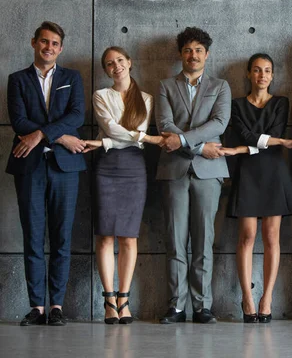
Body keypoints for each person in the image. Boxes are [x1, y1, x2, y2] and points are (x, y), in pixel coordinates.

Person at [6, 21, 86, 326]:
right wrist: (59, 135)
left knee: (62, 238)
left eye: (54, 43)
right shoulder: (17, 80)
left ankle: (56, 307)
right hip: (29, 167)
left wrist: (45, 135)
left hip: (66, 167)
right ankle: (36, 307)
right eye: (44, 41)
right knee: (33, 238)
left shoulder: (72, 78)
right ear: (33, 43)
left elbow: (77, 114)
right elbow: (18, 120)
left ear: (60, 49)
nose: (49, 47)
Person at [83, 47, 164, 324]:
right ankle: (108, 300)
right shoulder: (100, 96)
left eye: (119, 60)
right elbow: (115, 129)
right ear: (106, 70)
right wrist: (134, 138)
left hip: (133, 167)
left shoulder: (146, 99)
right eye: (109, 64)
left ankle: (124, 299)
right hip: (106, 167)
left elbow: (133, 137)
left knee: (129, 237)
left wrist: (105, 141)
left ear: (130, 62)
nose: (115, 66)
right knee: (105, 236)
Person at [155, 27, 231, 324]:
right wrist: (199, 149)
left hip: (209, 174)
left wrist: (186, 142)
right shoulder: (164, 85)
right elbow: (164, 124)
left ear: (206, 54)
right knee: (175, 239)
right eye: (188, 50)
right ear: (180, 54)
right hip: (175, 169)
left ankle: (202, 306)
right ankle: (176, 305)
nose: (193, 55)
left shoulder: (220, 85)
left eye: (199, 50)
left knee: (203, 240)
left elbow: (220, 122)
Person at [221, 53, 292, 323]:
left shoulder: (281, 102)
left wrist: (242, 149)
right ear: (248, 74)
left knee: (272, 238)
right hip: (247, 174)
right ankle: (247, 298)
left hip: (274, 174)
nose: (262, 75)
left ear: (273, 75)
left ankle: (267, 298)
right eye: (257, 70)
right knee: (246, 236)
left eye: (267, 70)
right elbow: (254, 136)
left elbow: (276, 133)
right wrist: (270, 141)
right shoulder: (236, 105)